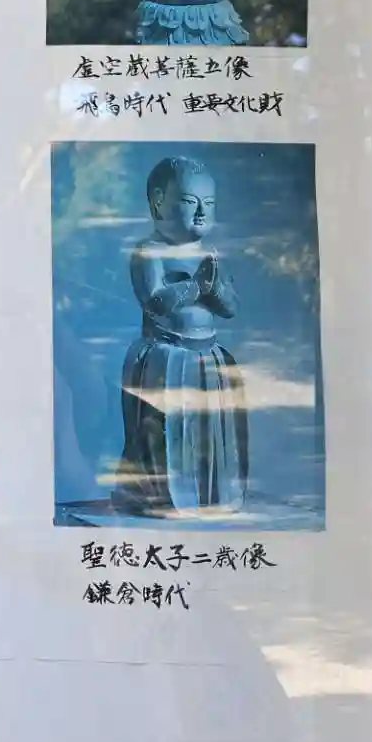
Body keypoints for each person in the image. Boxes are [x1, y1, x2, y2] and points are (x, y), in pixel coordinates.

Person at [114, 155, 249, 514]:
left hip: (208, 354)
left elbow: (230, 306)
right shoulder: (150, 252)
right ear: (159, 202)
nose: (202, 213)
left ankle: (209, 493)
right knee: (162, 430)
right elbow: (155, 301)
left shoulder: (210, 253)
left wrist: (216, 289)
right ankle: (156, 495)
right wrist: (196, 287)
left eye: (210, 204)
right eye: (190, 202)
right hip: (165, 354)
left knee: (208, 431)